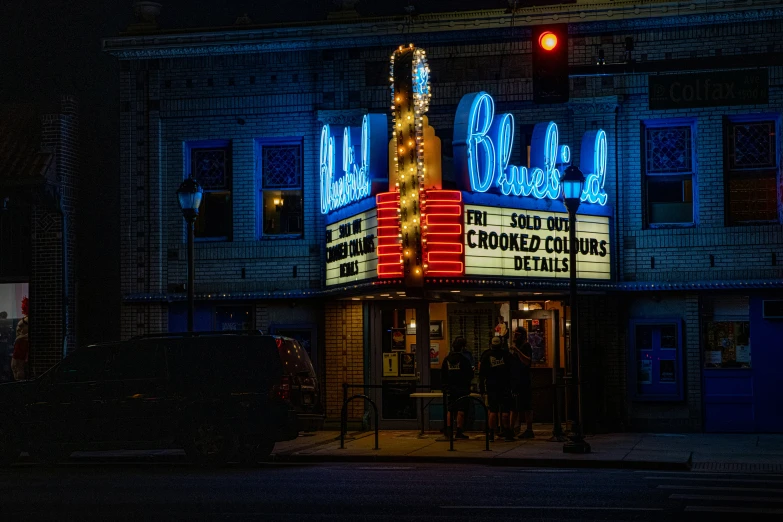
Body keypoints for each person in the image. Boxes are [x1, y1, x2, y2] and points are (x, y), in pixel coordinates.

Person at [479, 336, 514, 442]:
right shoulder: (507, 355)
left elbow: (482, 373)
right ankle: (507, 433)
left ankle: (491, 434)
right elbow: (512, 371)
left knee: (493, 410)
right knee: (505, 411)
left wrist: (481, 387)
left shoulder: (486, 355)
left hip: (491, 386)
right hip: (505, 386)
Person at [441, 336, 474, 440]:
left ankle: (449, 430)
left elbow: (443, 374)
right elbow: (470, 374)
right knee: (461, 410)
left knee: (450, 409)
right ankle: (459, 431)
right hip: (462, 388)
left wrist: (445, 386)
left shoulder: (447, 359)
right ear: (462, 347)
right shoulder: (464, 360)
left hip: (450, 388)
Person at [510, 326, 534, 439]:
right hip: (515, 379)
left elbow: (527, 361)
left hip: (523, 380)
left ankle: (529, 429)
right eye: (515, 333)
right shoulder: (517, 346)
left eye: (517, 334)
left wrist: (518, 351)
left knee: (526, 405)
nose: (515, 336)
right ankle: (511, 429)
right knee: (514, 405)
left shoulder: (526, 346)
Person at [11, 316, 29, 381]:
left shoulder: (27, 318)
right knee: (16, 367)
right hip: (20, 345)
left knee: (18, 367)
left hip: (21, 346)